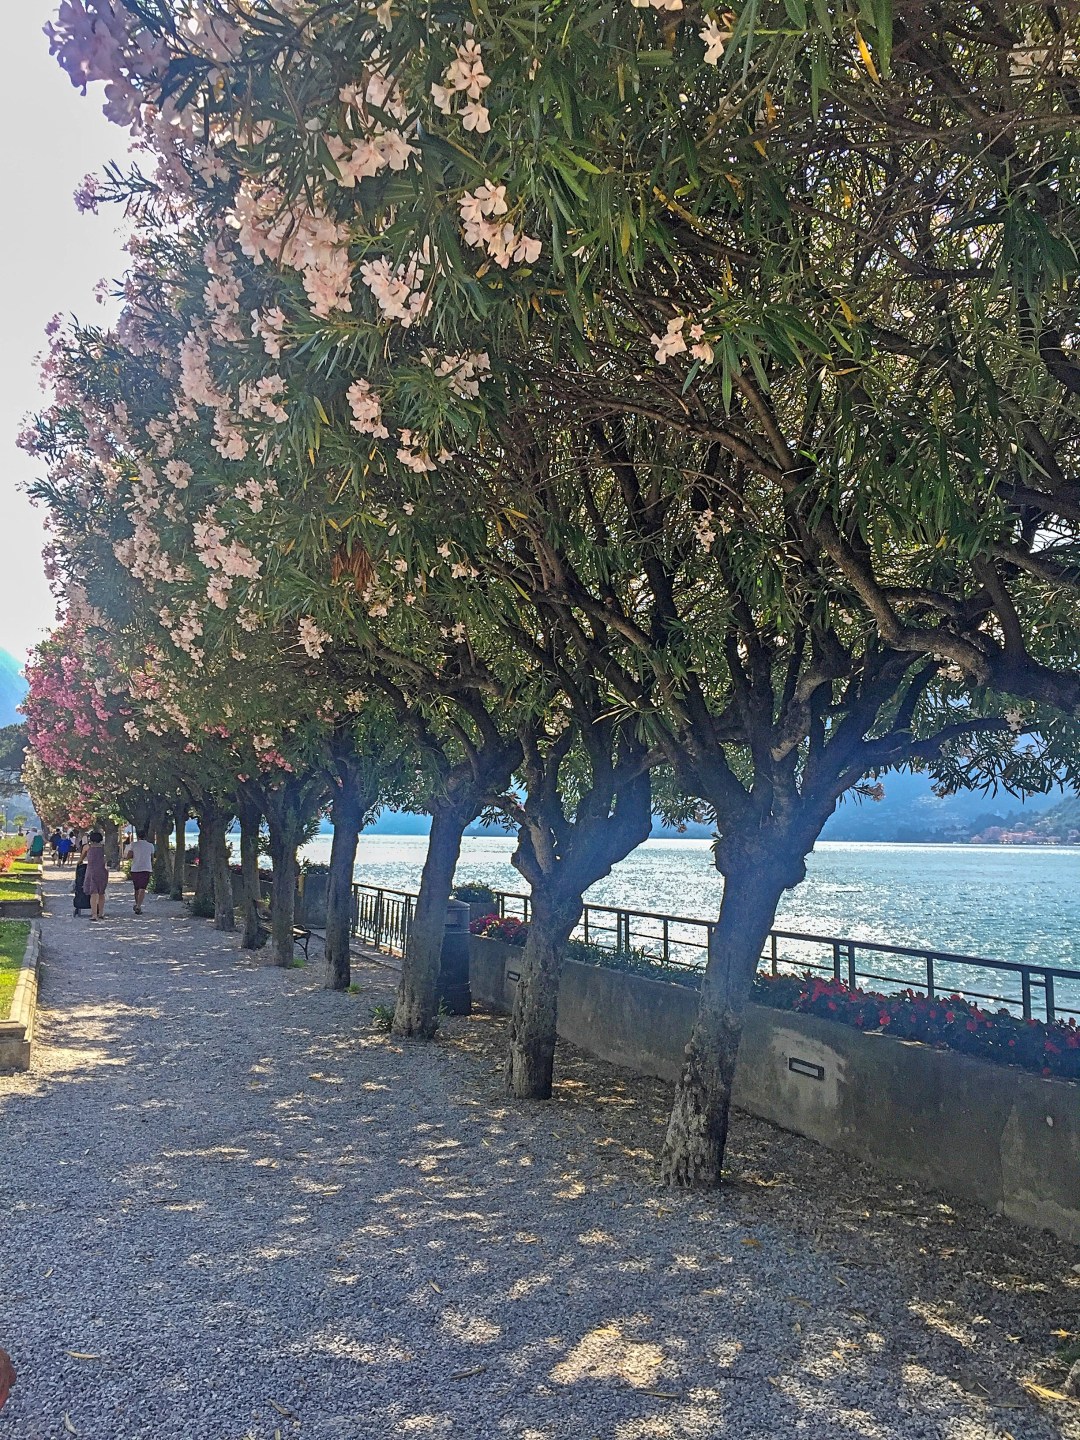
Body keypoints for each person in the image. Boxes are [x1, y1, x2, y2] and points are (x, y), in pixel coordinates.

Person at [124, 829, 155, 915]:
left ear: (138, 836)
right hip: (146, 868)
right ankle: (138, 905)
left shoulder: (133, 845)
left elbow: (128, 856)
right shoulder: (150, 846)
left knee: (136, 888)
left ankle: (137, 904)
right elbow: (152, 858)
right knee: (143, 888)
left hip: (135, 868)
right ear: (146, 836)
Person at [81, 830, 109, 921]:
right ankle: (101, 913)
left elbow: (81, 858)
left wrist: (79, 863)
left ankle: (94, 914)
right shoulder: (103, 848)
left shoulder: (87, 847)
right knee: (101, 893)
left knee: (93, 893)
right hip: (102, 871)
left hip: (92, 871)